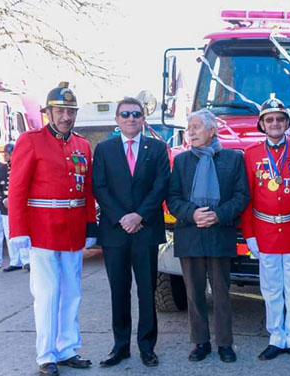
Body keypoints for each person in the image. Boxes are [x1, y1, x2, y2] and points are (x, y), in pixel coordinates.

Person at [9, 82, 97, 375]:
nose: (66, 117)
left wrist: (89, 225)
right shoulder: (30, 140)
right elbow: (18, 188)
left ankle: (67, 348)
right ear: (48, 113)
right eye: (60, 111)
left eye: (70, 112)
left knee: (72, 293)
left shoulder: (82, 145)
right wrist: (19, 230)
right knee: (47, 295)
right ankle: (46, 355)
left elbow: (86, 192)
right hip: (43, 229)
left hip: (72, 230)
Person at [92, 97, 170, 368]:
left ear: (142, 118)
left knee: (146, 292)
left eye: (136, 114)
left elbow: (161, 185)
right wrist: (121, 217)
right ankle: (120, 347)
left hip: (145, 230)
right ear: (117, 119)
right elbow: (99, 187)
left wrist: (139, 215)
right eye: (125, 114)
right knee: (119, 291)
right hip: (115, 231)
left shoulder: (157, 148)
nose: (130, 118)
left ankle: (147, 346)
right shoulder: (104, 149)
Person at [167, 109, 249, 363]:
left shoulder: (233, 159)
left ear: (212, 131)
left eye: (196, 127)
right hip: (190, 234)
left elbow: (241, 196)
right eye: (188, 127)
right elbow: (173, 199)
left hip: (219, 234)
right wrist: (192, 214)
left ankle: (225, 343)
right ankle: (200, 342)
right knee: (194, 292)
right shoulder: (181, 161)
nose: (190, 132)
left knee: (222, 293)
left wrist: (219, 215)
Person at [241, 94, 290, 363]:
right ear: (262, 124)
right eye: (269, 119)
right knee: (270, 289)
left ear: (286, 123)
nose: (274, 123)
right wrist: (249, 234)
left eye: (279, 119)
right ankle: (275, 337)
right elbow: (247, 197)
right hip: (265, 230)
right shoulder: (251, 154)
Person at [0, 143, 28, 272]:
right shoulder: (1, 169)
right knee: (9, 233)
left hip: (20, 207)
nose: (5, 156)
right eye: (4, 154)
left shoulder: (22, 167)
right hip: (5, 208)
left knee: (22, 232)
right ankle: (15, 261)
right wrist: (3, 199)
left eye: (7, 154)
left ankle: (27, 260)